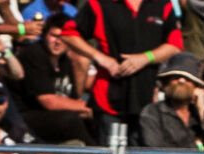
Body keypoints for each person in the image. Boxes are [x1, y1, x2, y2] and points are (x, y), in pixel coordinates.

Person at [61, 0, 180, 139]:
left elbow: (175, 45)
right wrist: (100, 57)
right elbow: (68, 33)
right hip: (108, 98)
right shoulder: (99, 4)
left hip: (147, 98)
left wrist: (145, 58)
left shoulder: (163, 4)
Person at [11, 12, 95, 145]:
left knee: (97, 118)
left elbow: (80, 94)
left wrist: (81, 64)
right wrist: (88, 107)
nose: (58, 42)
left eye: (63, 38)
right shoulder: (34, 54)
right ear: (44, 36)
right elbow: (48, 101)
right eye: (54, 36)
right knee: (71, 119)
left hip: (55, 116)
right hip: (27, 117)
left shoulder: (66, 59)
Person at [138, 52, 204, 150]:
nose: (181, 81)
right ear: (165, 83)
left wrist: (202, 108)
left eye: (188, 78)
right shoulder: (152, 113)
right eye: (176, 77)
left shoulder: (198, 113)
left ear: (196, 86)